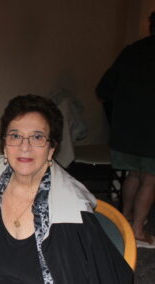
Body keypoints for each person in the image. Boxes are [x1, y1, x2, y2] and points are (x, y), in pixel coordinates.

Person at [0, 95, 133, 284]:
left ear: (51, 148)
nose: (25, 146)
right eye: (15, 135)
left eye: (37, 137)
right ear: (5, 145)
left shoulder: (70, 212)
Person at [96, 11, 155, 247]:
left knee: (133, 175)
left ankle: (126, 218)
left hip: (126, 129)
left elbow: (103, 89)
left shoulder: (131, 51)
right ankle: (138, 230)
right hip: (152, 130)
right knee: (150, 179)